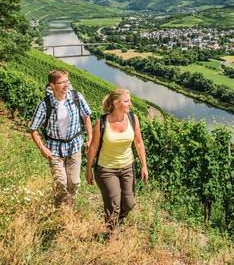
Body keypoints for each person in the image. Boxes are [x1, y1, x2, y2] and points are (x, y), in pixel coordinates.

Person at [86, 88, 148, 233]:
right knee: (114, 205)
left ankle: (115, 223)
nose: (130, 104)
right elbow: (94, 147)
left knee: (129, 203)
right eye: (127, 101)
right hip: (106, 169)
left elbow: (138, 143)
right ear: (116, 103)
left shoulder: (133, 119)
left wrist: (144, 166)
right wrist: (88, 169)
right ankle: (112, 234)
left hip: (127, 167)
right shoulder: (102, 122)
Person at [29, 69, 93, 206]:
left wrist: (90, 139)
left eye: (67, 81)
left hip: (74, 146)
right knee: (61, 183)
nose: (66, 85)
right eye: (61, 82)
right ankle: (59, 209)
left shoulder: (76, 97)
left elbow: (86, 117)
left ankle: (69, 207)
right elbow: (33, 129)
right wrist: (42, 148)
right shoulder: (45, 104)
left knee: (74, 183)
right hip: (54, 150)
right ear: (52, 85)